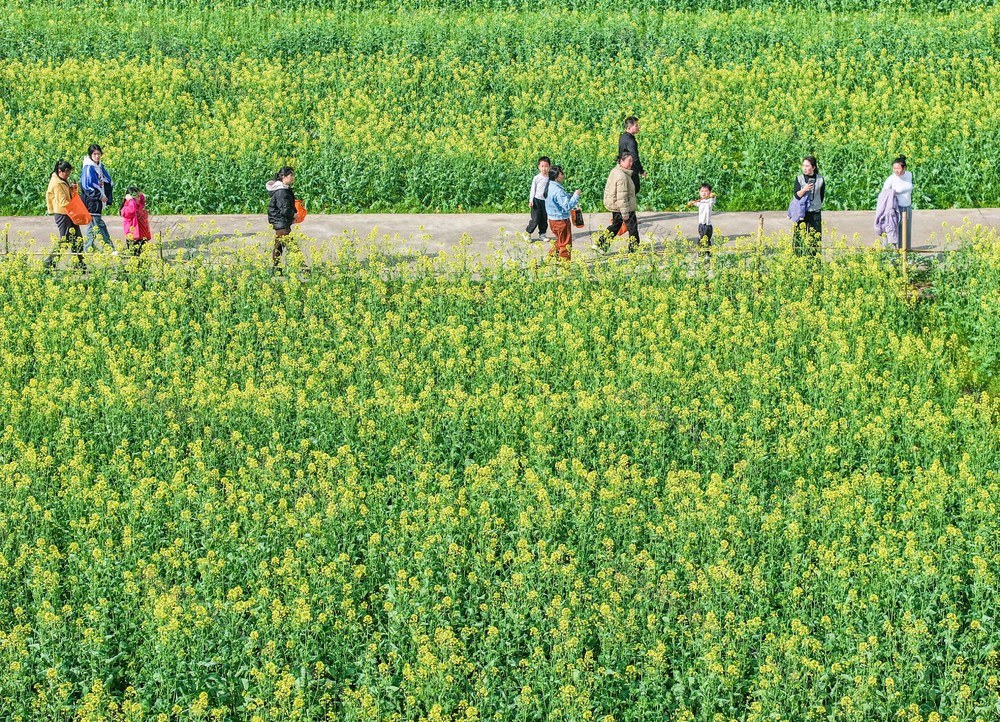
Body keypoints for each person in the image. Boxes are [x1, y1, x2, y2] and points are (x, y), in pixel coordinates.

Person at [43, 160, 86, 270]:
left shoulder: (62, 180)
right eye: (66, 172)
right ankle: (49, 262)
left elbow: (67, 195)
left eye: (69, 172)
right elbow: (63, 202)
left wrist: (72, 189)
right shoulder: (57, 184)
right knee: (65, 240)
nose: (68, 175)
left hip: (69, 212)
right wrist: (77, 207)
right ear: (59, 171)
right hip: (62, 214)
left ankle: (79, 263)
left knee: (77, 238)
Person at [80, 144, 117, 255]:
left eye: (98, 154)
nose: (97, 156)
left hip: (97, 199)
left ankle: (88, 248)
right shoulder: (88, 167)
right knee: (100, 224)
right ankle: (110, 248)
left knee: (92, 225)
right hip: (92, 201)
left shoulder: (99, 166)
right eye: (94, 154)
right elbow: (87, 186)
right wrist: (100, 196)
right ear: (90, 155)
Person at [599, 153, 639, 253]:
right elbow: (622, 197)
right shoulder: (622, 177)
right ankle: (633, 251)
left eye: (632, 161)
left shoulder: (616, 170)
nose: (631, 163)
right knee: (633, 229)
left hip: (616, 205)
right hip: (624, 207)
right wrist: (625, 213)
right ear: (621, 161)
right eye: (629, 161)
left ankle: (601, 245)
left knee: (615, 226)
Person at [543, 165, 581, 261]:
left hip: (552, 220)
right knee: (566, 244)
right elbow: (567, 206)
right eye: (561, 173)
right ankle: (565, 265)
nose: (563, 175)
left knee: (561, 240)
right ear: (556, 176)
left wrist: (568, 195)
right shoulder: (558, 191)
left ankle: (549, 259)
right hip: (561, 221)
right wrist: (576, 196)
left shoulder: (549, 186)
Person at [792, 156, 825, 256]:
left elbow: (821, 195)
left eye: (807, 166)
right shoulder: (799, 179)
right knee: (798, 237)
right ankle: (797, 259)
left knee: (815, 238)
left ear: (813, 167)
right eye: (803, 166)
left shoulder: (820, 179)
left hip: (815, 212)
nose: (805, 168)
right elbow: (796, 195)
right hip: (801, 212)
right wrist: (804, 189)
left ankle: (814, 261)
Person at [266, 166, 297, 271]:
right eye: (291, 175)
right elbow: (284, 209)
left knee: (279, 246)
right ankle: (303, 268)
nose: (292, 177)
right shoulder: (281, 191)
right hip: (281, 222)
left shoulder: (283, 189)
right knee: (292, 246)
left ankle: (276, 269)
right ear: (284, 177)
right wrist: (293, 215)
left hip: (281, 222)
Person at [882, 156, 913, 250]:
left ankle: (905, 251)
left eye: (898, 168)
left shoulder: (909, 175)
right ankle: (891, 252)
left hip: (907, 207)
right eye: (894, 168)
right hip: (895, 208)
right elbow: (884, 193)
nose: (896, 170)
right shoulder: (891, 179)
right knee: (893, 230)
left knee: (906, 230)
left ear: (904, 168)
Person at [120, 186, 151, 257]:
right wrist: (130, 200)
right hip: (134, 237)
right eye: (136, 196)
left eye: (139, 196)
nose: (138, 198)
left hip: (143, 236)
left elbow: (143, 200)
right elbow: (132, 210)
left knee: (144, 257)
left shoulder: (140, 205)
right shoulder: (125, 209)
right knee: (135, 257)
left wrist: (141, 194)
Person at [618, 117, 646, 196]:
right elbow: (635, 158)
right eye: (636, 125)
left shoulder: (622, 136)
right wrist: (641, 171)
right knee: (634, 189)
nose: (638, 127)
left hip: (622, 167)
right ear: (629, 127)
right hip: (631, 169)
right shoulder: (630, 141)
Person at [525, 156, 551, 241]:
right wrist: (531, 200)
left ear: (549, 167)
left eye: (546, 166)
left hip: (545, 201)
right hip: (536, 200)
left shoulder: (550, 178)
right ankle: (527, 233)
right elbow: (533, 189)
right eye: (542, 166)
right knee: (535, 219)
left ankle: (542, 234)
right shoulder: (537, 178)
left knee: (544, 219)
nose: (544, 168)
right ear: (539, 167)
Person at [687, 182, 717, 252]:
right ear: (699, 193)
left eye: (706, 191)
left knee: (707, 241)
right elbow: (694, 203)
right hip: (701, 225)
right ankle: (700, 253)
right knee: (701, 239)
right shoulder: (700, 202)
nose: (704, 193)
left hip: (707, 225)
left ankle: (707, 254)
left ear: (710, 192)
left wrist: (713, 195)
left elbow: (713, 198)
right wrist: (691, 203)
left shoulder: (710, 201)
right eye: (702, 191)